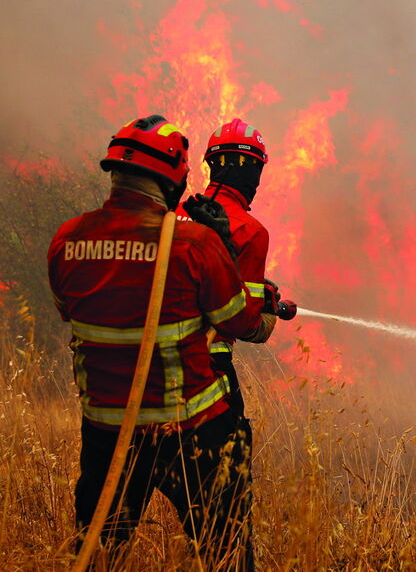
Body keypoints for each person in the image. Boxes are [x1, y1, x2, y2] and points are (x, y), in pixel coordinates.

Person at [47, 115, 262, 570]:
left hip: (107, 434)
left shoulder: (66, 240)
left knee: (100, 551)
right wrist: (223, 246)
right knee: (224, 551)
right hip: (192, 430)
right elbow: (242, 323)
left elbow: (75, 310)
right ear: (172, 179)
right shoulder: (193, 245)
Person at [180, 118, 296, 423]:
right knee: (229, 463)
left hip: (156, 363)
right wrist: (268, 308)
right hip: (209, 364)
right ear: (254, 170)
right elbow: (243, 325)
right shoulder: (251, 231)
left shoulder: (176, 212)